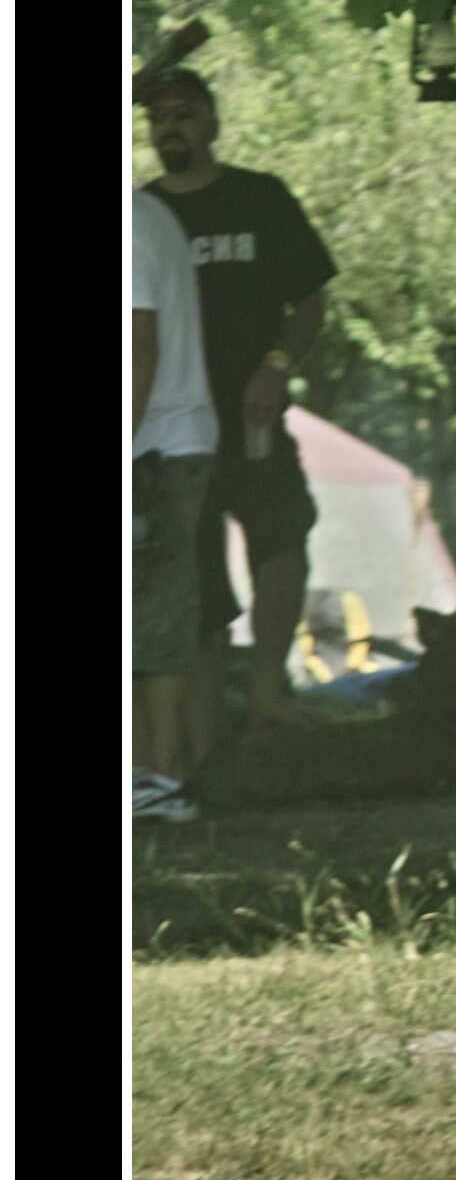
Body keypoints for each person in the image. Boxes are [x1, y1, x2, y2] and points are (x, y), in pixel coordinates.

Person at [137, 66, 339, 758]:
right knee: (191, 585)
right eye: (158, 117)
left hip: (252, 413)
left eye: (184, 114)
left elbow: (310, 300)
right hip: (171, 429)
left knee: (281, 540)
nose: (170, 127)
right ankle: (200, 748)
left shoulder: (260, 198)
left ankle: (268, 692)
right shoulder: (144, 215)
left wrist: (277, 366)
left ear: (214, 122)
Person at [131, 187, 220, 823]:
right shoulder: (148, 214)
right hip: (159, 443)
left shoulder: (130, 223)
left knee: (157, 608)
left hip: (157, 447)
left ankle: (162, 776)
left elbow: (140, 344)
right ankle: (147, 773)